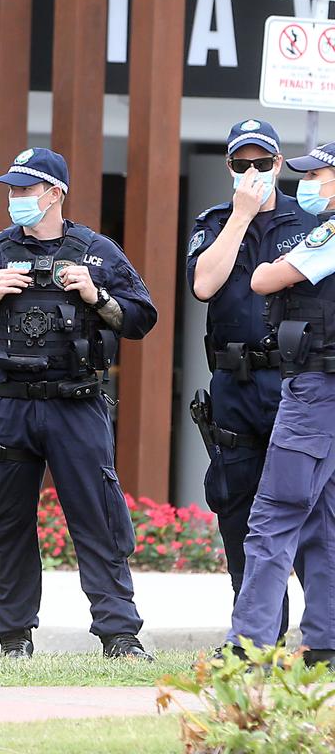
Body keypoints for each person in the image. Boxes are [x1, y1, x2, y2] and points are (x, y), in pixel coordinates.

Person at [0, 147, 158, 661]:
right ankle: (14, 638)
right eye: (11, 190)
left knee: (97, 518)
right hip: (10, 404)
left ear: (55, 193)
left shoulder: (96, 251)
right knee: (6, 521)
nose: (15, 198)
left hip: (76, 404)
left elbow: (142, 319)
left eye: (25, 189)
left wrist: (96, 295)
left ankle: (119, 635)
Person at [186, 120, 316, 635]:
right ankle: (256, 633)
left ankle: (322, 633)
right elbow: (204, 285)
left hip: (295, 382)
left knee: (305, 508)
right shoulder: (217, 221)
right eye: (243, 164)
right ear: (230, 168)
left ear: (280, 164)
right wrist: (239, 218)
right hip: (235, 384)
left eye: (264, 163)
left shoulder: (309, 220)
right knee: (237, 506)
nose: (254, 172)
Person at [226, 141, 335, 666]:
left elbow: (262, 278)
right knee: (327, 518)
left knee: (274, 516)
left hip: (316, 390)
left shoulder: (330, 233)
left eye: (317, 175)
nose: (307, 183)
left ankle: (249, 646)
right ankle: (326, 643)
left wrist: (277, 261)